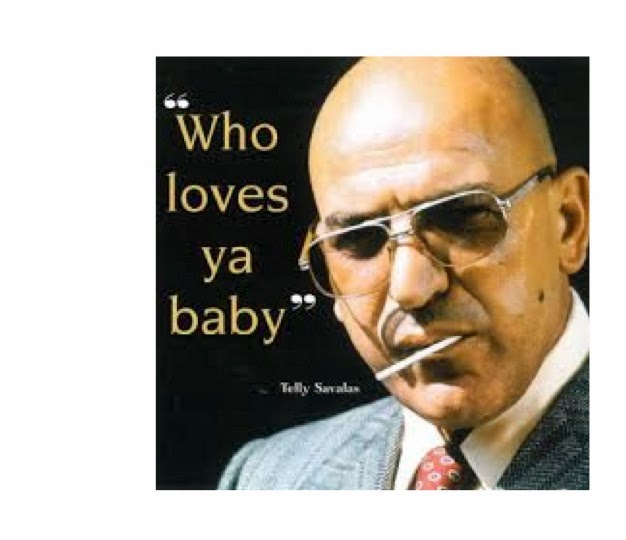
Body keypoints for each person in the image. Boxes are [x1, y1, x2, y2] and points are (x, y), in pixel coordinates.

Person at [219, 57, 589, 490]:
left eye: (461, 218)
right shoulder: (266, 477)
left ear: (568, 224)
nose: (409, 288)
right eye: (359, 240)